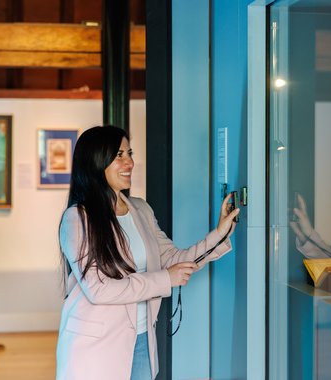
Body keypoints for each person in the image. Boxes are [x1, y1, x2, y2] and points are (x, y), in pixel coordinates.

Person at [55, 126, 239, 380]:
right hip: (95, 347)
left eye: (129, 153)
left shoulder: (141, 210)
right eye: (119, 155)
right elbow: (98, 288)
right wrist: (166, 279)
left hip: (142, 340)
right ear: (96, 162)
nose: (129, 162)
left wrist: (219, 233)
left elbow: (174, 261)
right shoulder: (77, 219)